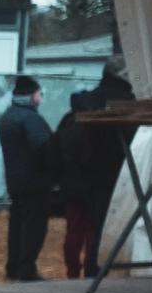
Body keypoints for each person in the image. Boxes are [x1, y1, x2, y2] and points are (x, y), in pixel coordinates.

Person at [56, 57, 134, 278]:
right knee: (98, 227)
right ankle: (94, 270)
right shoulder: (128, 106)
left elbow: (58, 143)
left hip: (75, 179)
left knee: (75, 228)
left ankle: (73, 272)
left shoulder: (80, 106)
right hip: (109, 177)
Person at [0, 75, 56, 281]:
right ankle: (27, 268)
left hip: (15, 182)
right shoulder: (31, 119)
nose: (41, 98)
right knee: (34, 228)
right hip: (35, 182)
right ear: (32, 96)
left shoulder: (7, 116)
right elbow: (43, 147)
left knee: (16, 226)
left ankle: (13, 267)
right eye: (39, 94)